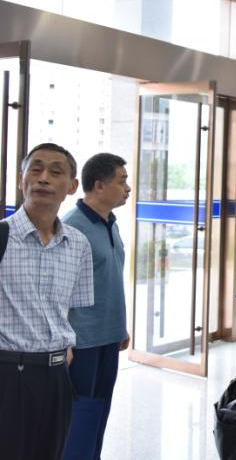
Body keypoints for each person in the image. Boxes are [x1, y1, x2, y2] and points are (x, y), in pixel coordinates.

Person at [0, 143, 93, 460]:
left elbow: (71, 309)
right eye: (36, 169)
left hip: (55, 378)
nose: (43, 178)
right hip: (6, 373)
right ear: (21, 179)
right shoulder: (2, 237)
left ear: (72, 186)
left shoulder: (78, 244)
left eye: (56, 172)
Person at [61, 153, 131, 460]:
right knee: (79, 418)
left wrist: (120, 327)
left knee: (100, 412)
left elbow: (110, 279)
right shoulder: (72, 227)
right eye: (122, 181)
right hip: (82, 343)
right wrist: (64, 342)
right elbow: (59, 291)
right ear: (99, 185)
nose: (128, 188)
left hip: (109, 338)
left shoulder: (110, 223)